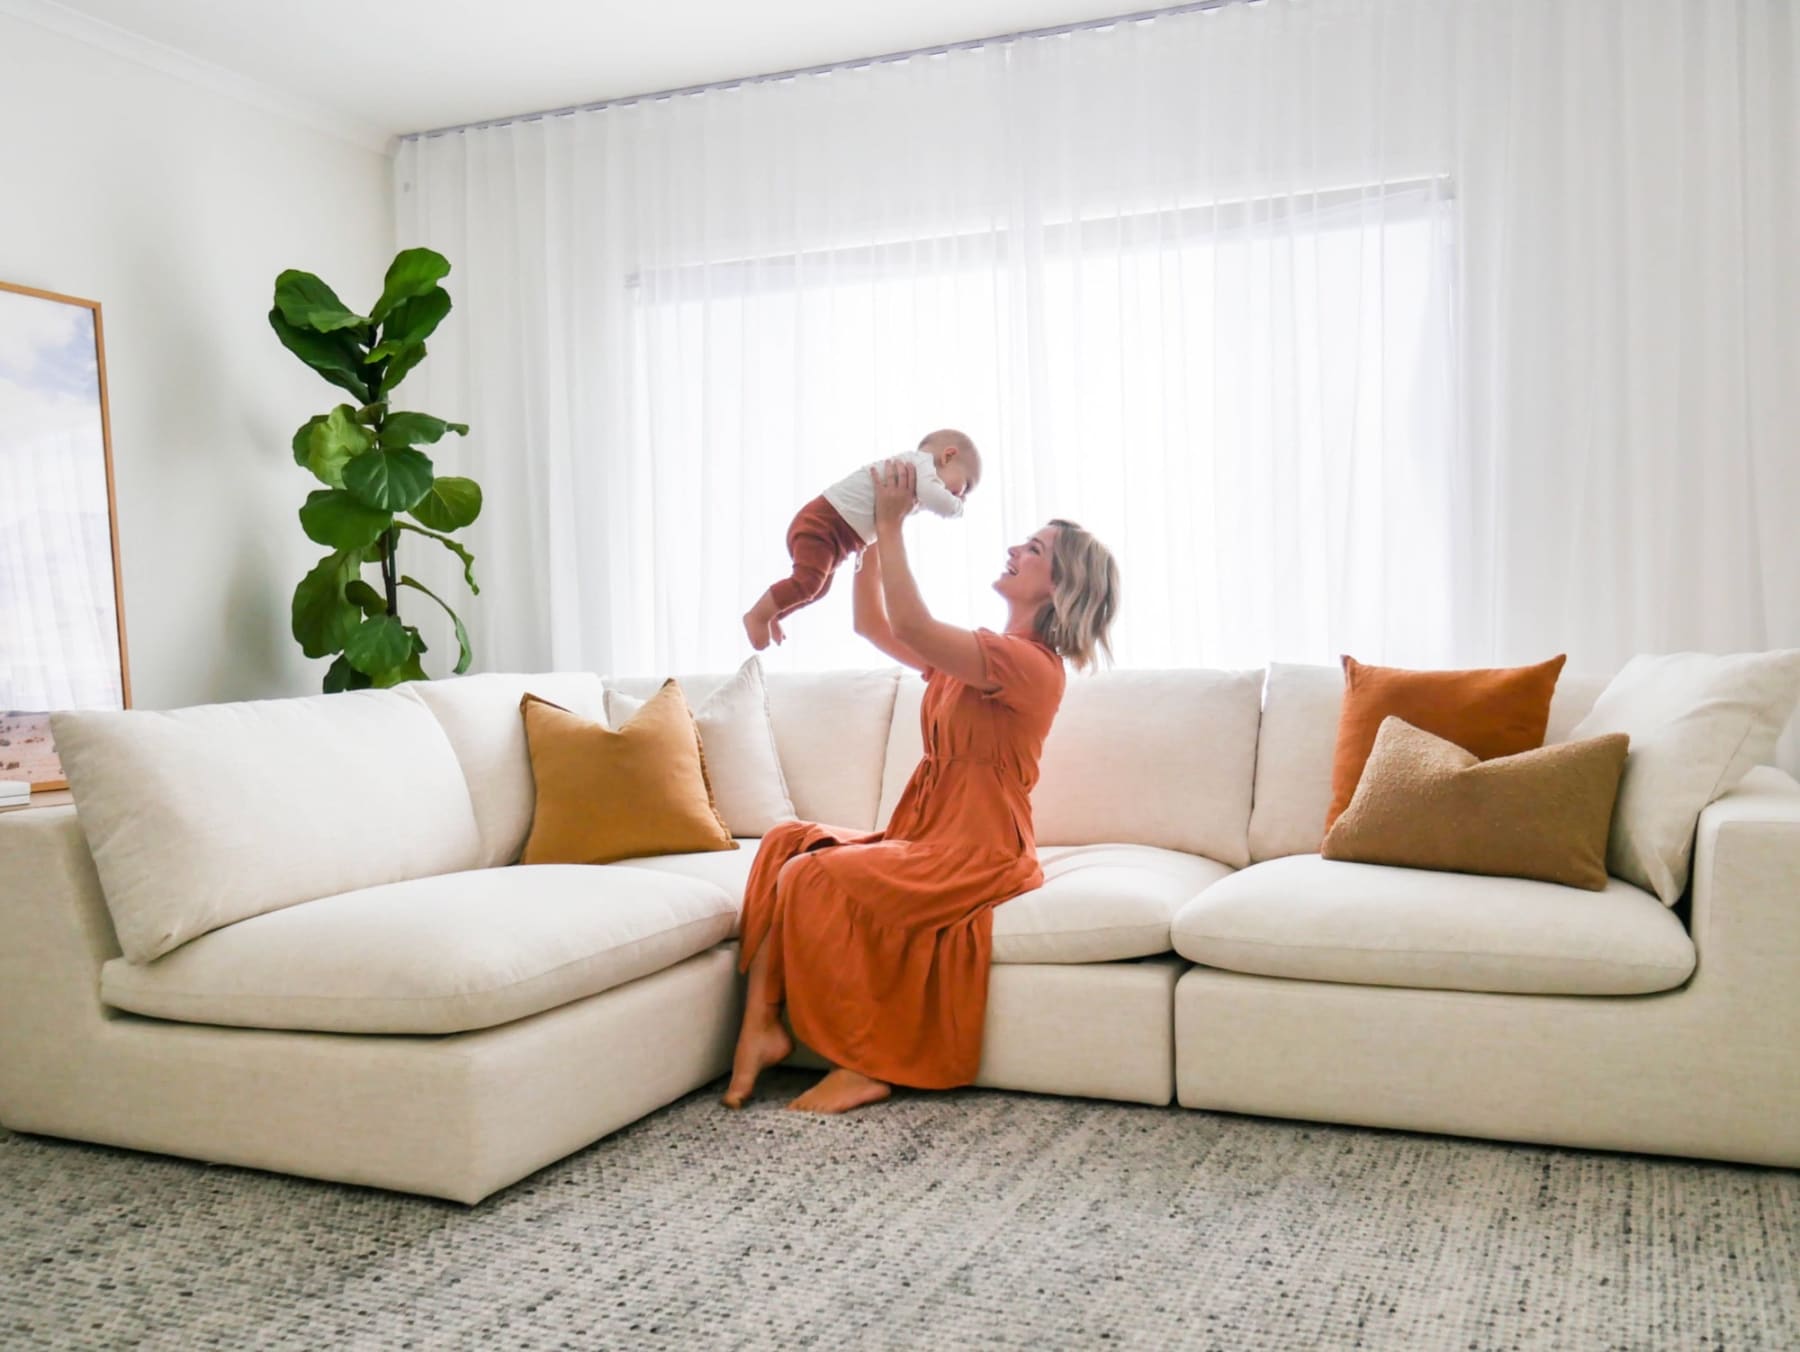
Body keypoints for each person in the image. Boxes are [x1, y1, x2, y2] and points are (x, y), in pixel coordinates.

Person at [724, 456, 1120, 1114]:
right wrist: (871, 538)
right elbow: (875, 626)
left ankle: (863, 1059)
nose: (1016, 549)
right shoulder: (980, 652)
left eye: (1036, 548)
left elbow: (909, 625)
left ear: (1060, 585)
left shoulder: (1027, 666)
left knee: (811, 877)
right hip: (927, 832)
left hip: (978, 848)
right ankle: (760, 1027)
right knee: (790, 844)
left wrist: (892, 522)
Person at [742, 429, 981, 650]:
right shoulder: (922, 466)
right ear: (948, 456)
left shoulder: (915, 478)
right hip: (824, 523)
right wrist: (958, 507)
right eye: (965, 486)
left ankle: (774, 613)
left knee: (818, 588)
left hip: (837, 536)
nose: (962, 496)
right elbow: (937, 500)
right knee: (809, 583)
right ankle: (758, 615)